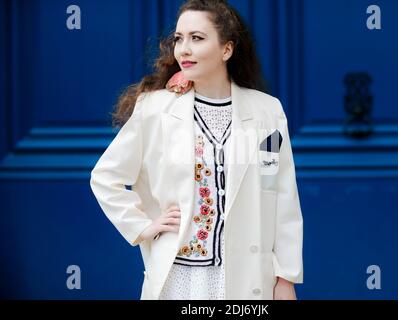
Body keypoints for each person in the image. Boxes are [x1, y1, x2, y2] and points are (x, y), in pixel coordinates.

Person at [90, 0, 303, 300]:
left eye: (197, 38)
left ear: (227, 49)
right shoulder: (155, 109)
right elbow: (105, 177)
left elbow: (279, 194)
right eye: (179, 38)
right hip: (178, 279)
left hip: (247, 279)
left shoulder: (267, 113)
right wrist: (141, 226)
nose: (183, 49)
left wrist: (286, 278)